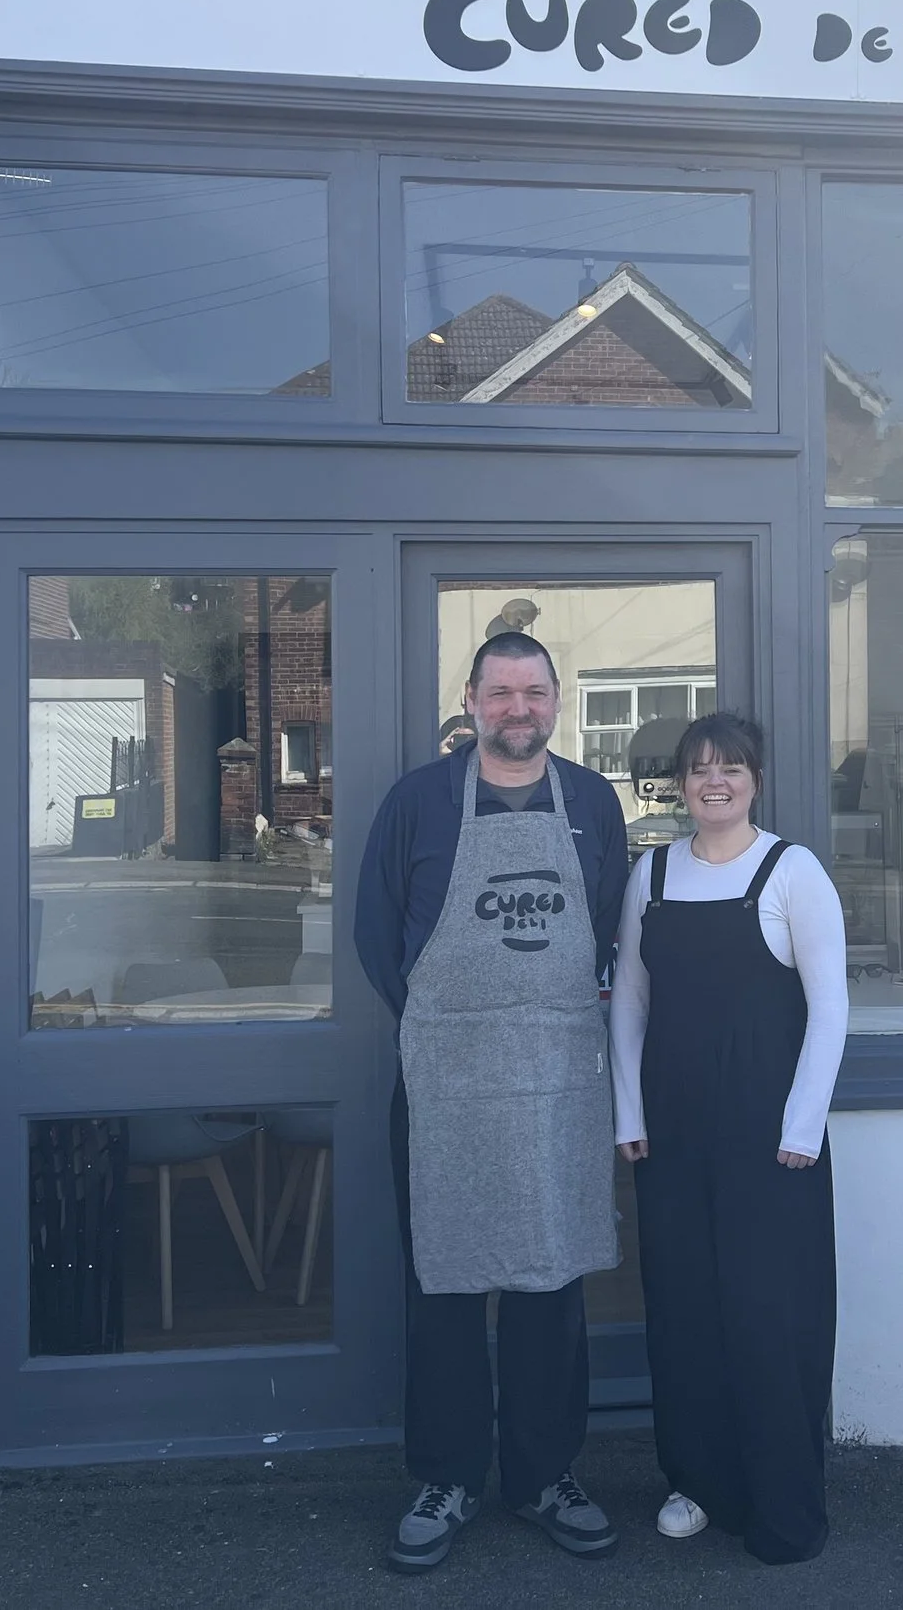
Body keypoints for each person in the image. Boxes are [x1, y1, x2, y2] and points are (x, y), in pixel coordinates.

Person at [355, 631, 630, 1573]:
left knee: (551, 1285)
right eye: (502, 692)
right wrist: (452, 1027)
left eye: (535, 692)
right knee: (444, 1283)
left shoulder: (591, 802)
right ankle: (447, 1476)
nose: (519, 708)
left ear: (556, 700)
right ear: (472, 699)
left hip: (557, 1083)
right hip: (447, 1086)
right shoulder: (417, 801)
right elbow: (376, 936)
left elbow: (607, 929)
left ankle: (546, 1473)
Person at [609, 711, 848, 1565]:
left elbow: (830, 1007)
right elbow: (629, 998)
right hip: (672, 1132)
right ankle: (698, 1480)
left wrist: (802, 1125)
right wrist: (628, 1113)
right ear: (680, 784)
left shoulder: (793, 871)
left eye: (732, 767)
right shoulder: (652, 873)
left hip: (769, 1136)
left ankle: (781, 1496)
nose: (716, 781)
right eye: (701, 768)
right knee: (684, 1309)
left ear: (755, 780)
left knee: (767, 1313)